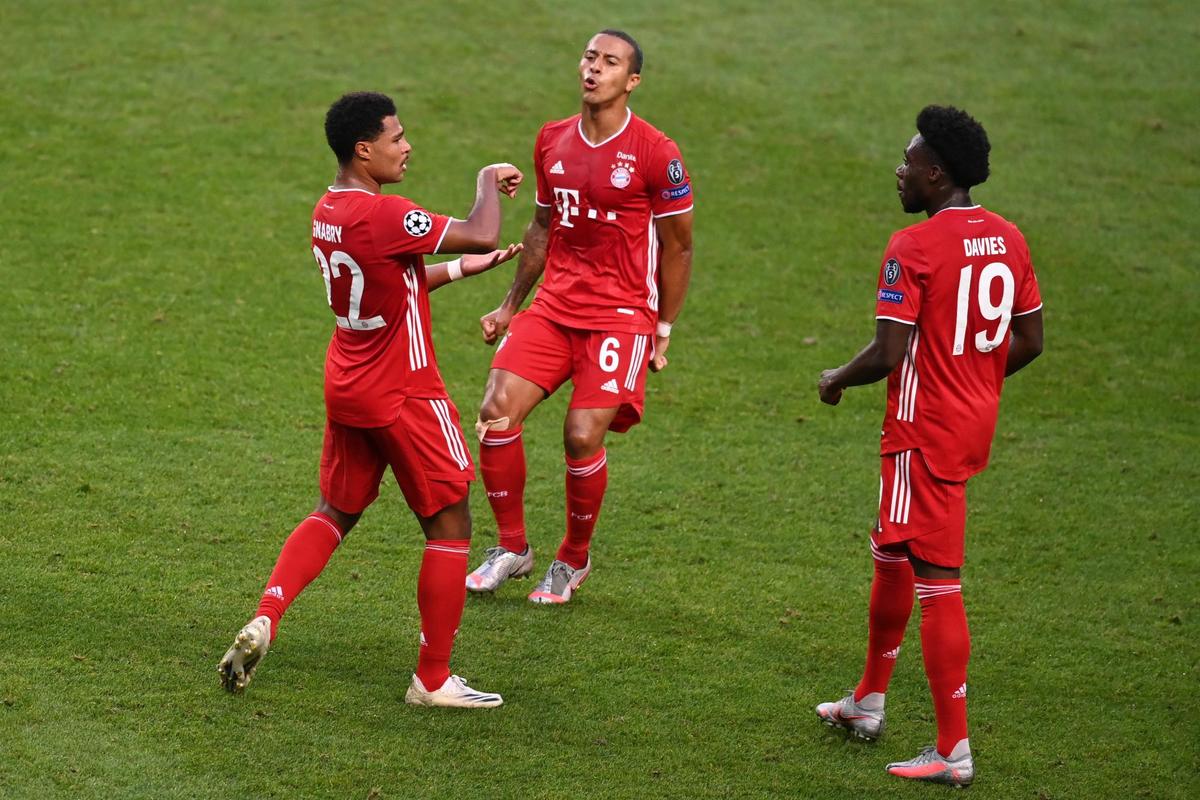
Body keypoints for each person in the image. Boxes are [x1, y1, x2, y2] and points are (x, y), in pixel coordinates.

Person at [217, 91, 525, 708]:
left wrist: (467, 271)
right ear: (365, 149)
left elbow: (394, 281)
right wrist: (487, 178)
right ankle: (432, 680)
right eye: (396, 138)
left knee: (336, 508)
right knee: (449, 521)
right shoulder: (385, 216)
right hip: (405, 389)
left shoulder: (327, 210)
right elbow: (479, 227)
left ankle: (266, 615)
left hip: (348, 383)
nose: (407, 147)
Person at [814, 105, 1044, 787]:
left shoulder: (912, 247)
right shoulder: (1009, 238)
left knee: (938, 581)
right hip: (969, 423)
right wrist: (973, 374)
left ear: (936, 174)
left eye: (909, 160)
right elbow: (1029, 341)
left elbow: (888, 353)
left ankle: (953, 749)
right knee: (891, 548)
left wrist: (834, 378)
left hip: (923, 433)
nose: (899, 169)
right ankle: (867, 701)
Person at [462, 30, 694, 604]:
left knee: (581, 435)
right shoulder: (551, 140)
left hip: (621, 316)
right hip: (555, 306)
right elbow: (542, 227)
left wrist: (662, 329)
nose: (594, 69)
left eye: (610, 62)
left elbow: (679, 246)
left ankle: (572, 559)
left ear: (631, 80)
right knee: (495, 412)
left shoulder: (656, 153)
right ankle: (513, 548)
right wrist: (509, 305)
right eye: (590, 57)